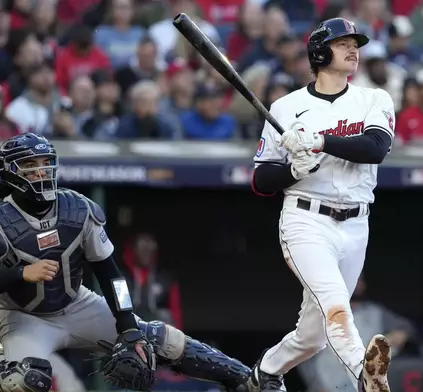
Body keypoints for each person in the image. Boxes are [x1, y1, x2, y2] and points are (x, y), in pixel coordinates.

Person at [0, 133, 254, 392]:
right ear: (9, 171)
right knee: (23, 381)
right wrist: (20, 274)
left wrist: (128, 326)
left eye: (46, 163)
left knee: (155, 338)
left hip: (76, 303)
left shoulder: (77, 209)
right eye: (30, 166)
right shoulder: (2, 218)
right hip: (23, 316)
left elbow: (111, 274)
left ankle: (245, 379)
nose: (41, 172)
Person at [250, 17, 395, 392]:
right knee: (336, 306)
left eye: (356, 43)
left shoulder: (373, 98)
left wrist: (320, 141)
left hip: (356, 224)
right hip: (306, 221)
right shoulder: (286, 107)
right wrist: (294, 170)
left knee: (312, 336)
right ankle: (364, 376)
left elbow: (376, 148)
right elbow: (262, 181)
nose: (353, 49)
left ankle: (266, 371)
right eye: (343, 42)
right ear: (318, 51)